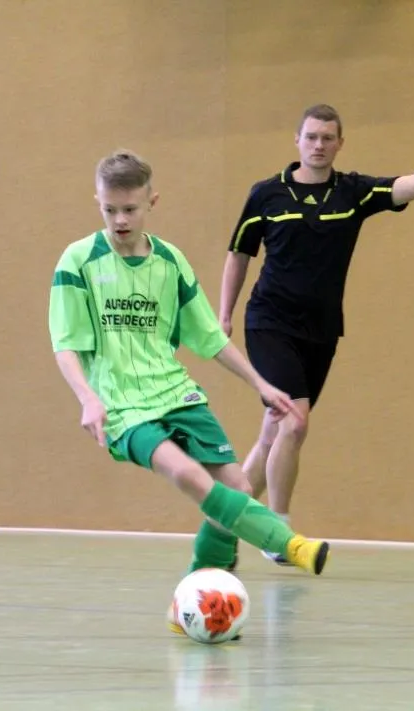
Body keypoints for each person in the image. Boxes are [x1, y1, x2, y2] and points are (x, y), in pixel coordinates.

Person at [48, 150, 331, 635]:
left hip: (176, 392)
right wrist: (87, 398)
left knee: (237, 488)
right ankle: (289, 544)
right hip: (122, 406)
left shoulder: (170, 262)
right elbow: (65, 343)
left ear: (151, 202)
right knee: (187, 474)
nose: (120, 220)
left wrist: (261, 383)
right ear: (97, 202)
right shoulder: (78, 261)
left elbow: (209, 337)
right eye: (110, 209)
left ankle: (188, 602)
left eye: (130, 209)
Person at [218, 89, 414, 565]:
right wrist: (225, 314)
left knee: (276, 433)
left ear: (340, 144)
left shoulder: (354, 193)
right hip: (269, 322)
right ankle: (279, 534)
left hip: (320, 332)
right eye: (311, 137)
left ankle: (223, 518)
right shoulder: (266, 194)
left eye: (327, 138)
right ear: (297, 140)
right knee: (294, 422)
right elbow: (239, 254)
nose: (318, 145)